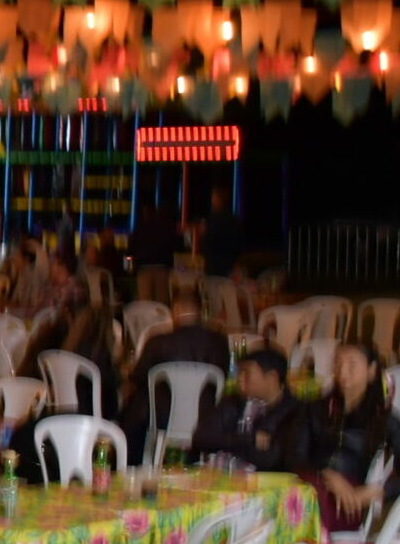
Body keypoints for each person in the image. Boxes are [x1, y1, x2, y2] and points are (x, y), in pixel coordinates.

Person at [312, 340, 400, 530]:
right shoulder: (319, 408)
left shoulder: (383, 419)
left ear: (371, 371)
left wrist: (373, 492)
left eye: (352, 364)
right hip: (308, 484)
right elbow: (297, 453)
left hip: (343, 502)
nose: (343, 371)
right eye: (338, 363)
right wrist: (328, 474)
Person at [117, 298, 229, 442]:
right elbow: (224, 376)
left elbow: (138, 378)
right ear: (200, 315)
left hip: (161, 418)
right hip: (205, 415)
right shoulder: (219, 343)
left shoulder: (157, 342)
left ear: (174, 315)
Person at [195, 349, 318, 474]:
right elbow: (200, 438)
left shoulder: (294, 411)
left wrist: (226, 445)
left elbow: (269, 460)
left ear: (271, 377)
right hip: (220, 476)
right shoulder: (233, 402)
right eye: (239, 373)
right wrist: (248, 439)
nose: (240, 379)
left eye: (246, 373)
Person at [200, 187, 244, 278]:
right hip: (230, 267)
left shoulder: (214, 220)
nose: (212, 200)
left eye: (213, 197)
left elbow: (207, 244)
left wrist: (203, 233)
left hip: (214, 268)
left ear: (219, 199)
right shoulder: (234, 219)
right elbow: (239, 245)